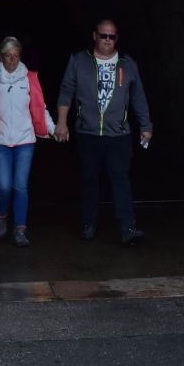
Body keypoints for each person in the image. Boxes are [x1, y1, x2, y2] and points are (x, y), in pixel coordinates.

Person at [55, 18, 152, 246]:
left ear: (116, 38)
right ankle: (88, 224)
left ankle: (128, 228)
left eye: (112, 36)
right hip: (88, 133)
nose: (107, 40)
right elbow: (66, 90)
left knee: (121, 180)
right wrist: (62, 122)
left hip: (118, 134)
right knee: (90, 180)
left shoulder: (127, 64)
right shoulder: (78, 61)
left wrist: (146, 126)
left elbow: (138, 96)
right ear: (94, 36)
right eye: (103, 35)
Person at [0, 36, 53, 248]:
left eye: (16, 56)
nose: (12, 60)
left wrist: (54, 129)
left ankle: (20, 229)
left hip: (25, 140)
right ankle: (1, 216)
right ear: (0, 57)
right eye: (8, 56)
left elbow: (40, 107)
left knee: (20, 186)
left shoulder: (29, 79)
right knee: (3, 185)